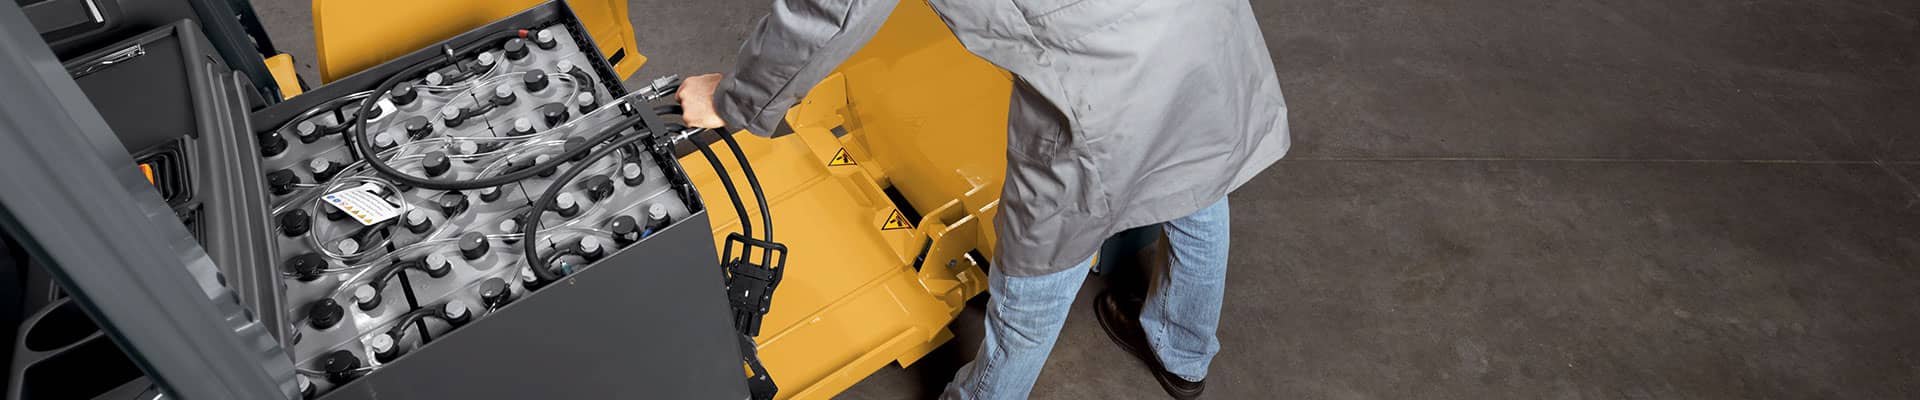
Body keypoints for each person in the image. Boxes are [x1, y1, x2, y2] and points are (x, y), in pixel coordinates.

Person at [675, 0, 1288, 398]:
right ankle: (1182, 350)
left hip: (1103, 86)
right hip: (1207, 27)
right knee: (1198, 178)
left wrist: (735, 99)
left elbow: (833, 12)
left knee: (1041, 268)